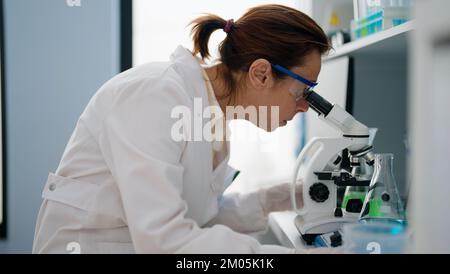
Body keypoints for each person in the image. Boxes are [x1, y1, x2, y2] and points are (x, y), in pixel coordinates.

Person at [33, 4, 332, 254]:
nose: (305, 106)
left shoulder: (209, 115)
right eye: (302, 92)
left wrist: (277, 198)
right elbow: (163, 240)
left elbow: (199, 215)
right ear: (261, 73)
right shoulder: (156, 95)